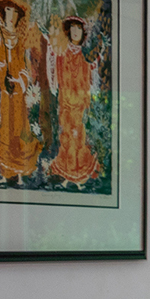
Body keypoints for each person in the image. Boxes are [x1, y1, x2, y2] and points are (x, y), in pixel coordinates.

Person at [46, 16, 102, 185]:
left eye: (78, 28)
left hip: (80, 104)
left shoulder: (86, 56)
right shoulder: (62, 54)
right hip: (65, 103)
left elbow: (93, 80)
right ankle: (67, 171)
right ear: (68, 31)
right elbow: (53, 71)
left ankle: (78, 173)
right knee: (66, 136)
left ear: (83, 33)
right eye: (73, 28)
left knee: (78, 137)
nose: (75, 32)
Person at [0, 0, 41, 179]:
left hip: (18, 92)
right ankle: (6, 171)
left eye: (14, 13)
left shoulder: (20, 42)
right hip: (6, 92)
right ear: (4, 14)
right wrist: (4, 76)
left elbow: (26, 69)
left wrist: (19, 80)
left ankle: (19, 173)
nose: (11, 16)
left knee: (19, 128)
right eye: (8, 12)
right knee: (6, 128)